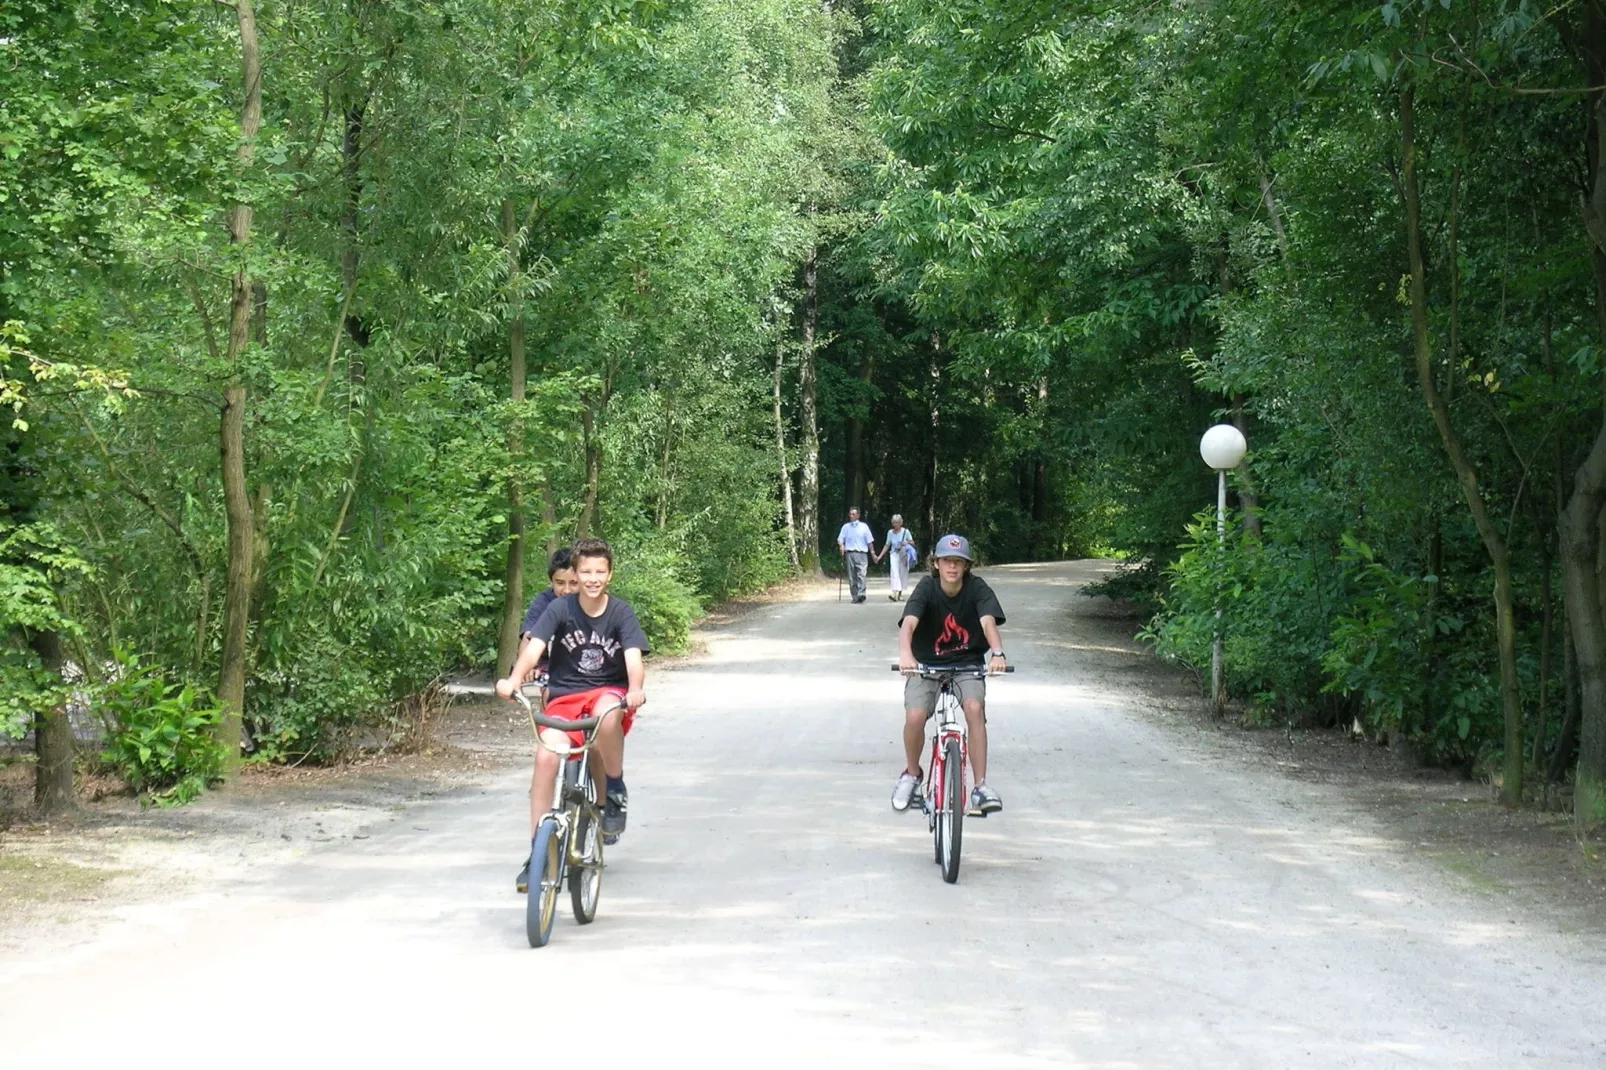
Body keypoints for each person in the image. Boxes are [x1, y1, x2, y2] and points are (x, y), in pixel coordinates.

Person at [496, 538, 649, 891]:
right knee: (545, 755)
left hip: (607, 692)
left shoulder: (620, 612)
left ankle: (612, 788)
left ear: (609, 575)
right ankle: (539, 852)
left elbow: (632, 659)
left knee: (607, 711)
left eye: (599, 571)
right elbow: (534, 648)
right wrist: (514, 680)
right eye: (585, 572)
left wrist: (636, 688)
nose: (592, 578)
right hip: (564, 697)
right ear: (576, 575)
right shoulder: (559, 610)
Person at [891, 533, 1007, 816]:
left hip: (967, 664)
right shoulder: (927, 588)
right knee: (916, 715)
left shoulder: (977, 588)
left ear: (966, 566)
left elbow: (987, 621)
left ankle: (980, 787)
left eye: (958, 562)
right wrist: (906, 655)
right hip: (926, 664)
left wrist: (997, 653)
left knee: (974, 707)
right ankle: (912, 774)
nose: (952, 567)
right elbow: (908, 624)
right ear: (936, 564)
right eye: (946, 561)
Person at [516, 547, 581, 685]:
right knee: (550, 694)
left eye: (573, 583)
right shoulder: (543, 602)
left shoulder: (591, 602)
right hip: (550, 665)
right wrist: (527, 668)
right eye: (560, 583)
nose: (567, 590)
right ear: (551, 581)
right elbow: (528, 638)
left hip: (585, 666)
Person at [836, 507, 874, 604]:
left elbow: (869, 541)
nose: (851, 516)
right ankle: (855, 596)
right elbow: (840, 539)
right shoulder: (846, 527)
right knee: (852, 576)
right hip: (850, 554)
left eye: (853, 514)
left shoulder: (864, 526)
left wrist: (873, 553)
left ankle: (861, 593)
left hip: (862, 553)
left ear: (858, 515)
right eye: (850, 514)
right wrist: (841, 546)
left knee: (862, 574)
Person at [874, 514, 915, 602]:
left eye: (897, 523)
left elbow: (912, 543)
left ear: (901, 523)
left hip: (903, 554)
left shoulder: (906, 531)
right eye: (894, 523)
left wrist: (906, 542)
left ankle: (900, 594)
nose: (895, 524)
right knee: (894, 572)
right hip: (894, 554)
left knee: (902, 573)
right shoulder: (890, 532)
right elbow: (887, 545)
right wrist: (879, 557)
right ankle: (894, 593)